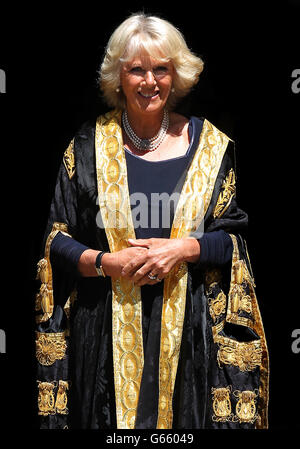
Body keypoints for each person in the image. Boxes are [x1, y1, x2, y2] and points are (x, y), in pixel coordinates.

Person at [35, 12, 269, 429]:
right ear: (118, 77)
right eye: (137, 69)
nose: (150, 82)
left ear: (177, 75)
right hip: (105, 334)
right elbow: (56, 238)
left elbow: (232, 237)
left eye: (161, 69)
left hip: (188, 339)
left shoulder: (211, 147)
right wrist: (108, 263)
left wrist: (182, 249)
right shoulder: (87, 148)